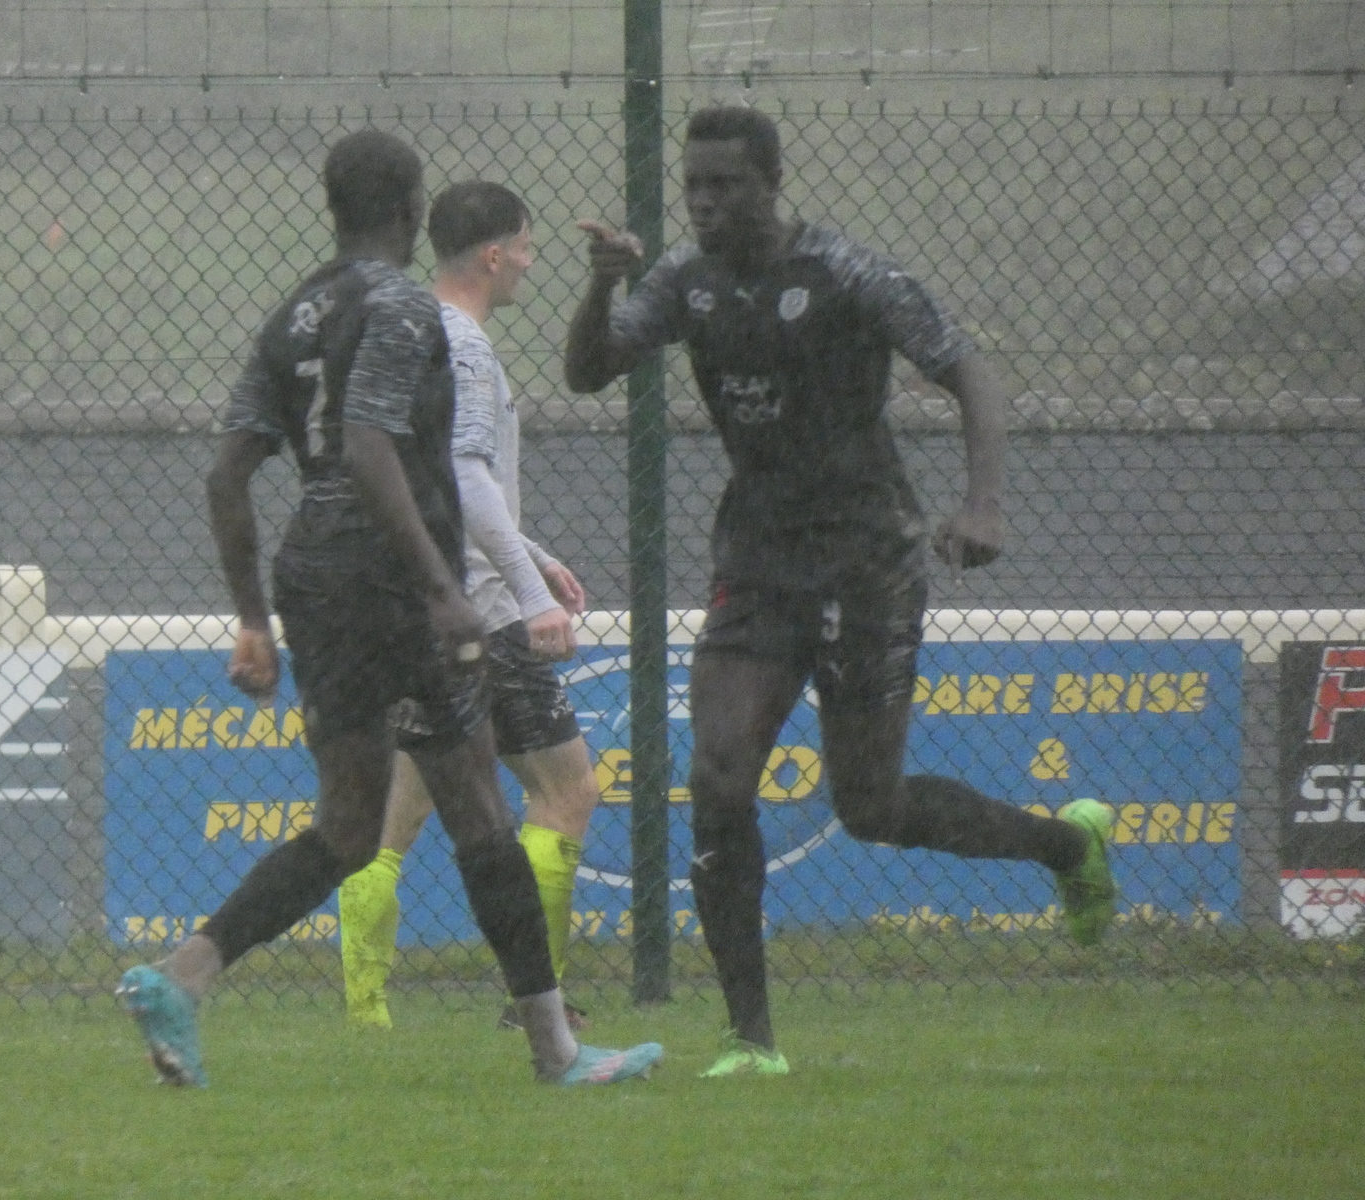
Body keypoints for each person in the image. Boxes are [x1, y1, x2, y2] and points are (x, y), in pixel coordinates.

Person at [563, 106, 1117, 1079]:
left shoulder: (848, 275)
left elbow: (970, 374)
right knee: (719, 774)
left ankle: (1066, 849)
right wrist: (602, 283)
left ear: (771, 182)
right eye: (693, 185)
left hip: (868, 561)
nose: (702, 202)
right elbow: (588, 372)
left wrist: (982, 504)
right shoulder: (683, 283)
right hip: (757, 564)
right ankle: (751, 1041)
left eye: (723, 185)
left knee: (869, 806)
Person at [115, 130, 662, 1089]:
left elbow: (228, 475)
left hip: (311, 578)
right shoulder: (406, 307)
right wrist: (444, 591)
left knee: (348, 827)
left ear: (334, 209)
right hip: (391, 581)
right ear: (412, 211)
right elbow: (372, 446)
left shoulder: (292, 315)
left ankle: (183, 977)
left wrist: (252, 618)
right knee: (485, 813)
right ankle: (558, 1054)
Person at [338, 180, 601, 1033]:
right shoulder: (467, 347)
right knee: (566, 791)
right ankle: (539, 1000)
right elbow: (468, 477)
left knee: (400, 809)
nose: (531, 260)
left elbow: (439, 479)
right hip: (483, 612)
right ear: (493, 255)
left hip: (423, 606)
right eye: (526, 245)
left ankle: (365, 1006)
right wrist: (531, 596)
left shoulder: (408, 332)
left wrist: (539, 554)